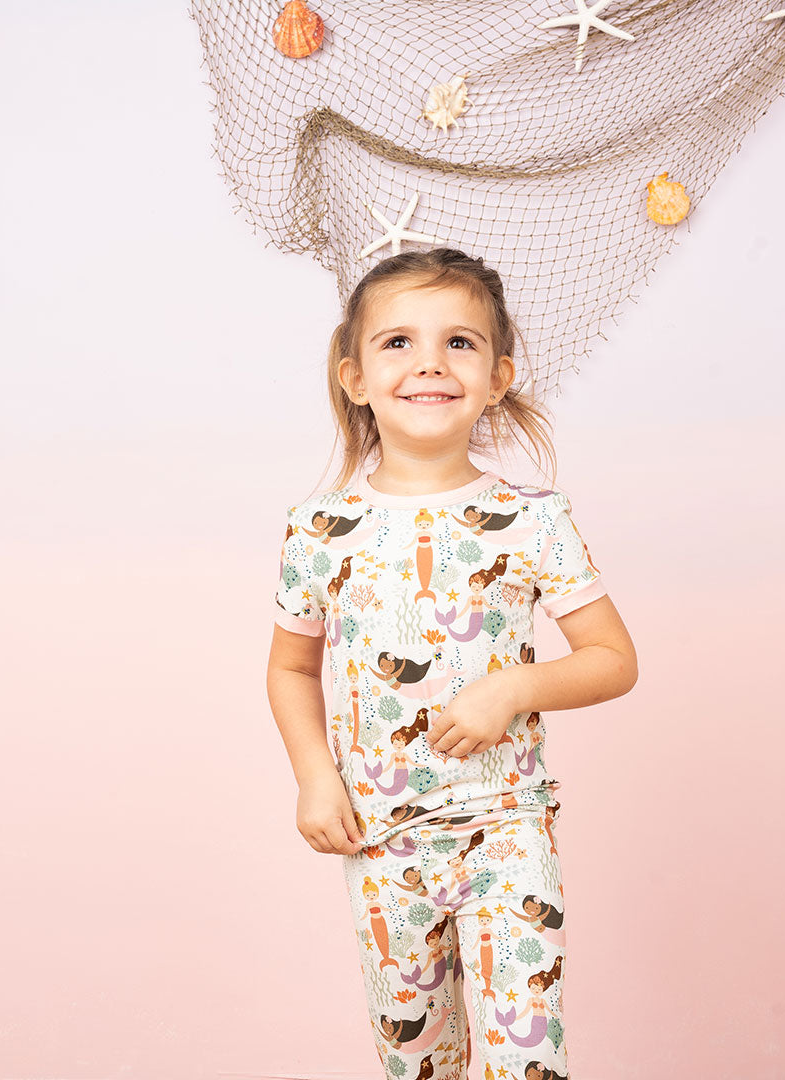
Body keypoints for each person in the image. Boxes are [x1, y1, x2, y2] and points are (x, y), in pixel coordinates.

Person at [265, 247, 638, 1079]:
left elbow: (613, 660)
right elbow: (291, 668)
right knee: (418, 1065)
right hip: (384, 844)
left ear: (499, 375)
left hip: (507, 832)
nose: (430, 361)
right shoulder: (318, 532)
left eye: (459, 343)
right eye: (398, 342)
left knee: (527, 1064)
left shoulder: (531, 520)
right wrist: (314, 777)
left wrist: (513, 687)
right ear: (354, 376)